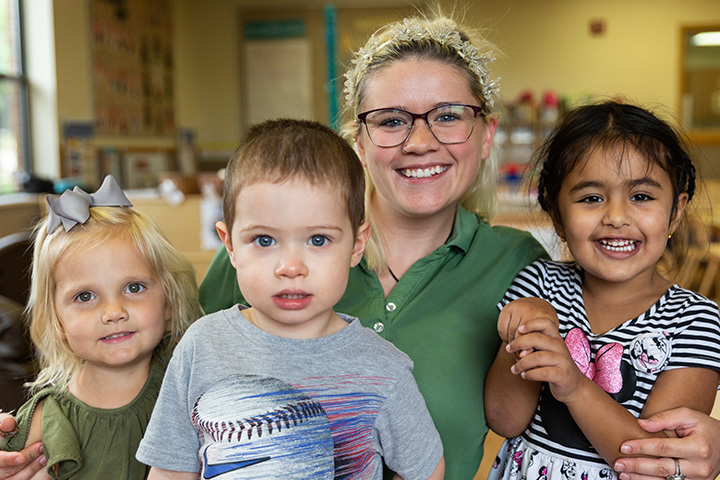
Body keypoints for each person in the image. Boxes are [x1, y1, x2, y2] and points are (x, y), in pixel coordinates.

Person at [195, 12, 546, 479]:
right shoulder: (267, 252)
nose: (420, 142)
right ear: (359, 141)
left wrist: (664, 440)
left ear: (486, 135)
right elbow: (177, 393)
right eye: (391, 121)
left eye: (447, 116)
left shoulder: (517, 264)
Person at [135, 118, 445, 480]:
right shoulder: (202, 346)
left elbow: (427, 470)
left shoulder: (384, 369)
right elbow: (170, 470)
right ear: (230, 245)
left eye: (318, 240)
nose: (291, 267)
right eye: (264, 240)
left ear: (357, 245)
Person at [484, 101, 720, 480]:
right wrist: (525, 337)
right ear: (558, 217)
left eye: (641, 196)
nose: (616, 217)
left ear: (676, 212)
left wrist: (574, 385)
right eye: (591, 198)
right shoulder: (538, 286)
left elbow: (654, 463)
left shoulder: (695, 322)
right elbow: (503, 419)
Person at [0, 175, 202, 479]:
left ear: (169, 300)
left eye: (134, 288)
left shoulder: (193, 385)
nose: (113, 312)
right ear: (57, 322)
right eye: (85, 296)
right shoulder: (46, 421)